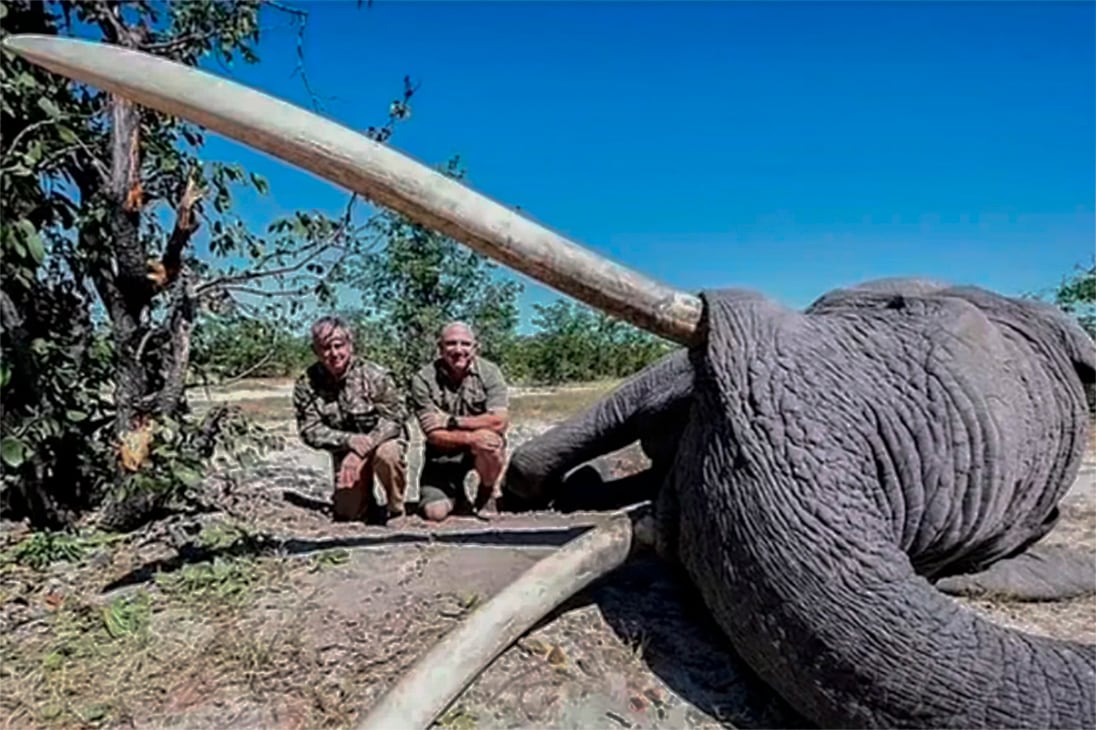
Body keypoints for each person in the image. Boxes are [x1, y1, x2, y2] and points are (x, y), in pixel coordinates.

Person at [293, 315, 409, 523]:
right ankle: (366, 503)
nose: (334, 354)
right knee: (348, 514)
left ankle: (396, 509)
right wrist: (348, 442)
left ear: (350, 345)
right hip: (343, 449)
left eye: (339, 345)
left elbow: (395, 418)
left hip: (382, 441)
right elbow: (309, 429)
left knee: (388, 455)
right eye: (325, 348)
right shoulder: (307, 384)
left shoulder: (376, 376)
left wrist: (362, 448)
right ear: (315, 350)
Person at [409, 321, 510, 521]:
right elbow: (433, 433)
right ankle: (457, 496)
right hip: (442, 455)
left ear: (475, 347)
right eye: (451, 344)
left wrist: (451, 421)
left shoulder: (490, 372)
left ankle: (487, 491)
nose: (458, 350)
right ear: (440, 348)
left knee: (491, 441)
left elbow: (499, 422)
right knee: (434, 514)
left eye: (465, 344)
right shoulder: (423, 379)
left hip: (480, 449)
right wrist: (471, 438)